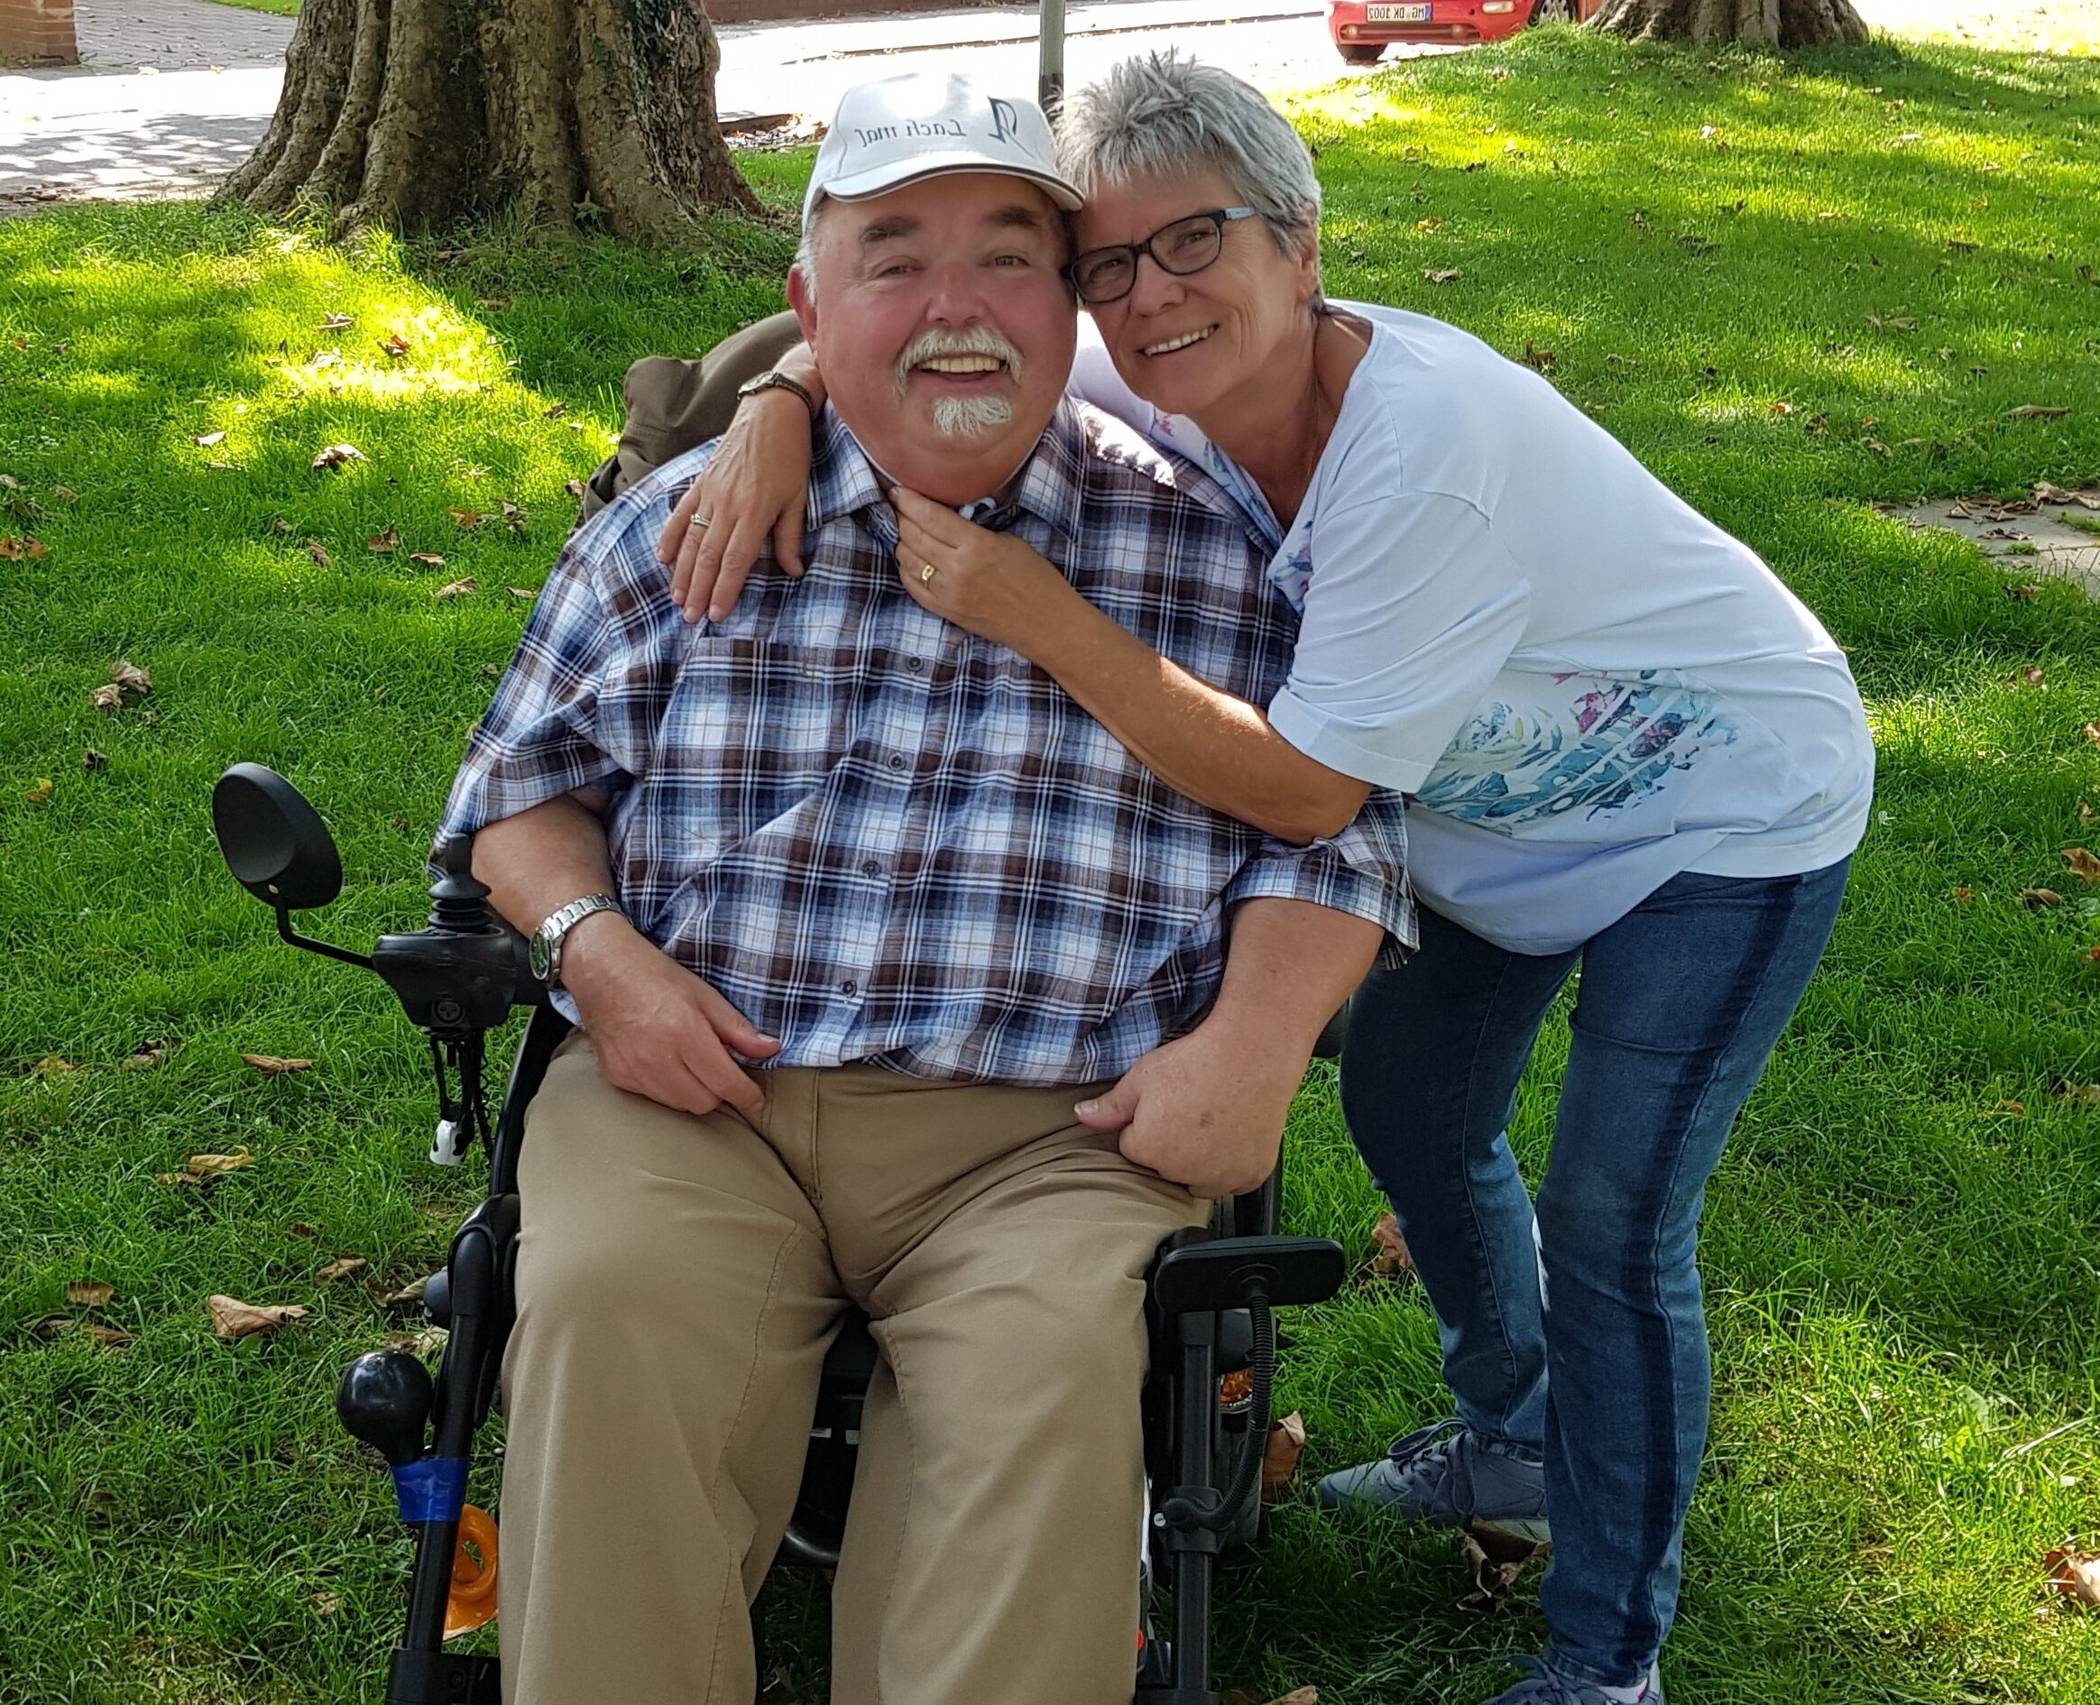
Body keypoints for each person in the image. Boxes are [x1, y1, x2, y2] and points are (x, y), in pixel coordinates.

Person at [662, 51, 1873, 1705]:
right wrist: (774, 406)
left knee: (1613, 1215)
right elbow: (917, 317)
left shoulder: (1423, 449)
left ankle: (1608, 1652)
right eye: (1112, 263)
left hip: (1718, 816)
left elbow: (1308, 788)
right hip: (1493, 825)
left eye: (1196, 244)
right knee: (1416, 1114)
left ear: (1301, 245)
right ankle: (1516, 1436)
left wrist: (1043, 616)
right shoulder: (1152, 361)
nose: (1146, 299)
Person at [440, 69, 1411, 1705]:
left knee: (1037, 1392)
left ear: (1075, 302)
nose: (956, 306)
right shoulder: (678, 530)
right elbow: (519, 797)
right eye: (894, 255)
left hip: (1052, 1137)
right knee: (607, 1307)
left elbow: (1339, 833)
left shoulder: (1202, 543)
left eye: (1008, 255)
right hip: (700, 1093)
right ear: (813, 305)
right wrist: (592, 948)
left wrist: (1250, 1055)